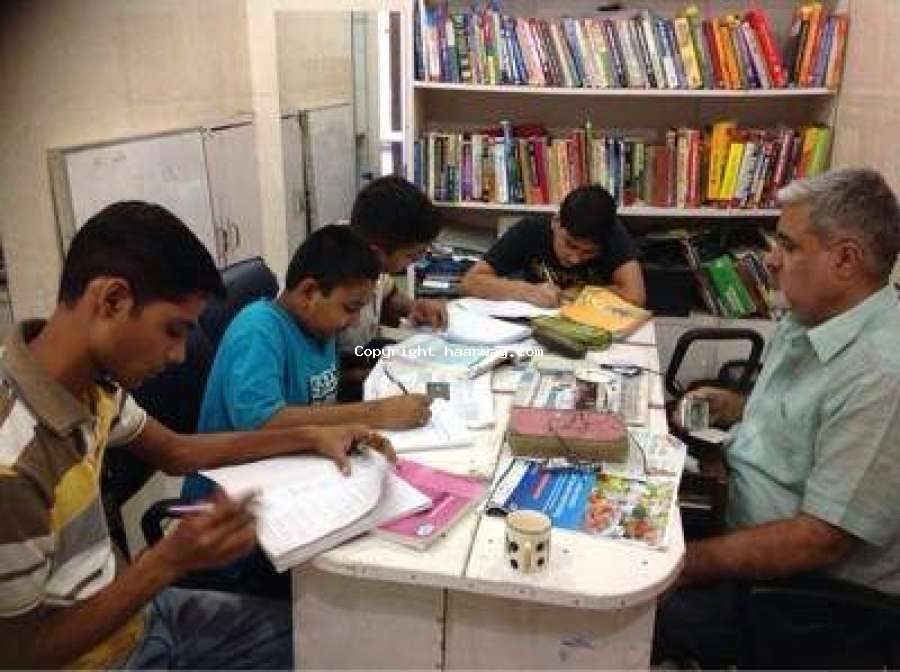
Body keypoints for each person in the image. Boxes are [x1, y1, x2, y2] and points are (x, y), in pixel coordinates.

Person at [0, 201, 391, 670]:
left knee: (345, 644)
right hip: (104, 657)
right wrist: (165, 563)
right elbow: (17, 655)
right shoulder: (12, 461)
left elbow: (176, 451)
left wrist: (311, 435)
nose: (180, 355)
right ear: (112, 301)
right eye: (173, 330)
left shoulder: (95, 385)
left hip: (141, 616)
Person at [654, 168, 900, 668]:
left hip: (799, 595)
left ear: (845, 259)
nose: (770, 259)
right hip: (733, 510)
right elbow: (809, 422)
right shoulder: (811, 314)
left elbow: (819, 542)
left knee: (606, 615)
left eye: (787, 246)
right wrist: (735, 406)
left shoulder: (882, 375)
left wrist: (684, 565)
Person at [181, 225, 432, 582]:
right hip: (229, 520)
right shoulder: (258, 329)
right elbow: (262, 421)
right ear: (309, 292)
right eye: (350, 308)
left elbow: (317, 400)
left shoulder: (318, 326)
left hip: (287, 482)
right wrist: (375, 412)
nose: (354, 321)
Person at [461, 184, 646, 308]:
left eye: (589, 252)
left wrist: (574, 293)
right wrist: (527, 292)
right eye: (570, 245)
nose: (575, 259)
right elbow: (471, 281)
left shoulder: (612, 234)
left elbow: (635, 297)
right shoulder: (529, 230)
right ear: (556, 222)